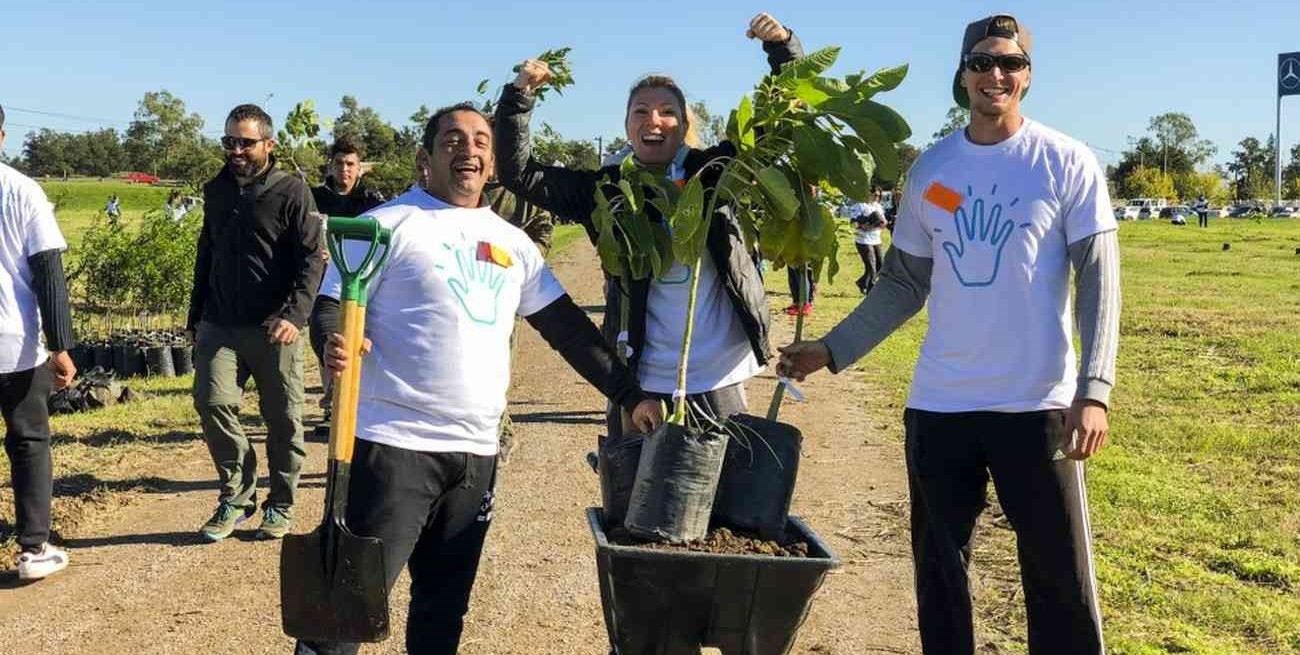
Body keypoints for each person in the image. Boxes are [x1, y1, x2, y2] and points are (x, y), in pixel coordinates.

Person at [778, 14, 1119, 655]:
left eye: (1011, 64)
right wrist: (832, 348)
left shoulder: (1065, 161)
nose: (997, 74)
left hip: (1037, 401)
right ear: (962, 74)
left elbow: (1099, 281)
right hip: (941, 404)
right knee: (940, 572)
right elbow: (904, 283)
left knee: (1057, 575)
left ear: (1028, 76)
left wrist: (1094, 389)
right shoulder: (933, 171)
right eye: (983, 62)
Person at [295, 103, 662, 655]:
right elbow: (330, 308)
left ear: (492, 164)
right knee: (343, 617)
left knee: (443, 615)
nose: (469, 149)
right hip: (393, 447)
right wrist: (332, 344)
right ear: (425, 158)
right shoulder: (386, 225)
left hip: (475, 454)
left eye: (481, 141)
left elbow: (567, 329)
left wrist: (628, 394)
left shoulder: (513, 243)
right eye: (453, 139)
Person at [494, 12, 802, 436]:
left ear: (684, 125)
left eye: (666, 112)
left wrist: (782, 47)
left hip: (718, 373)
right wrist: (519, 97)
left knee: (724, 491)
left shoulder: (714, 172)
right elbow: (521, 173)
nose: (653, 120)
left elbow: (779, 129)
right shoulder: (605, 189)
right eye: (641, 110)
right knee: (635, 497)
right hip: (642, 380)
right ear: (626, 125)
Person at [187, 104, 323, 542]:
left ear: (269, 144)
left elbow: (311, 260)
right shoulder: (216, 190)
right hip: (220, 323)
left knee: (283, 419)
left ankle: (281, 503)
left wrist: (295, 316)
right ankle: (237, 494)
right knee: (212, 404)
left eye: (246, 142)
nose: (237, 150)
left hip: (274, 326)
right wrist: (195, 318)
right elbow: (205, 256)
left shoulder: (292, 192)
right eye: (230, 142)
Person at [0, 104, 77, 580]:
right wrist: (62, 345)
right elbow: (48, 272)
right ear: (3, 134)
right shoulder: (22, 190)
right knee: (29, 440)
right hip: (15, 342)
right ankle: (33, 548)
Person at [308, 137, 386, 441]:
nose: (344, 170)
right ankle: (333, 405)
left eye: (351, 164)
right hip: (322, 276)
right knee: (328, 336)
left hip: (358, 278)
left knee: (357, 336)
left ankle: (354, 399)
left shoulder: (371, 201)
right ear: (331, 164)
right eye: (339, 163)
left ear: (360, 169)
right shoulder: (314, 198)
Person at [851, 190, 888, 295]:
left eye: (879, 195)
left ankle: (862, 282)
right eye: (875, 195)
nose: (877, 197)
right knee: (871, 267)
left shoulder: (878, 206)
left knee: (880, 265)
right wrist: (863, 225)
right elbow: (854, 222)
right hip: (863, 240)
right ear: (868, 194)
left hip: (876, 239)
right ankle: (871, 291)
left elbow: (884, 222)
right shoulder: (859, 206)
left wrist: (880, 224)